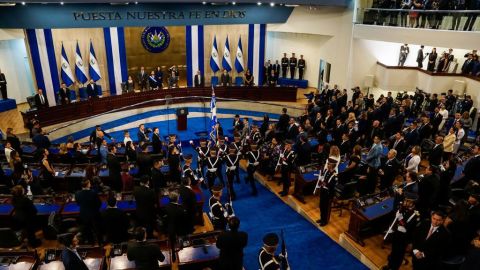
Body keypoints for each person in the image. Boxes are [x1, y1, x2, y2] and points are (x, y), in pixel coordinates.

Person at [164, 190, 189, 262]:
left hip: (170, 228)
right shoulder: (181, 208)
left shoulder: (166, 207)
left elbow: (165, 219)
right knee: (181, 240)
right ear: (177, 198)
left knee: (172, 242)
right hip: (179, 229)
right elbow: (184, 220)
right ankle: (182, 254)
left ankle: (173, 255)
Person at [75, 179, 102, 244]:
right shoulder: (93, 193)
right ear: (88, 184)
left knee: (88, 230)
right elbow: (99, 204)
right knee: (97, 230)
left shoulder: (77, 193)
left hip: (84, 215)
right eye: (89, 183)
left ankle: (91, 243)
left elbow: (78, 203)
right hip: (94, 214)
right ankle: (100, 243)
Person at [316, 158, 338, 226]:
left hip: (328, 193)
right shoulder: (326, 171)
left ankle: (325, 221)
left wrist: (324, 184)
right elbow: (323, 179)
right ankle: (322, 218)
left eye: (329, 164)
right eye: (328, 164)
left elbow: (332, 186)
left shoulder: (335, 175)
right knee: (321, 205)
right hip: (323, 191)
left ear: (332, 165)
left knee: (326, 207)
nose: (327, 165)